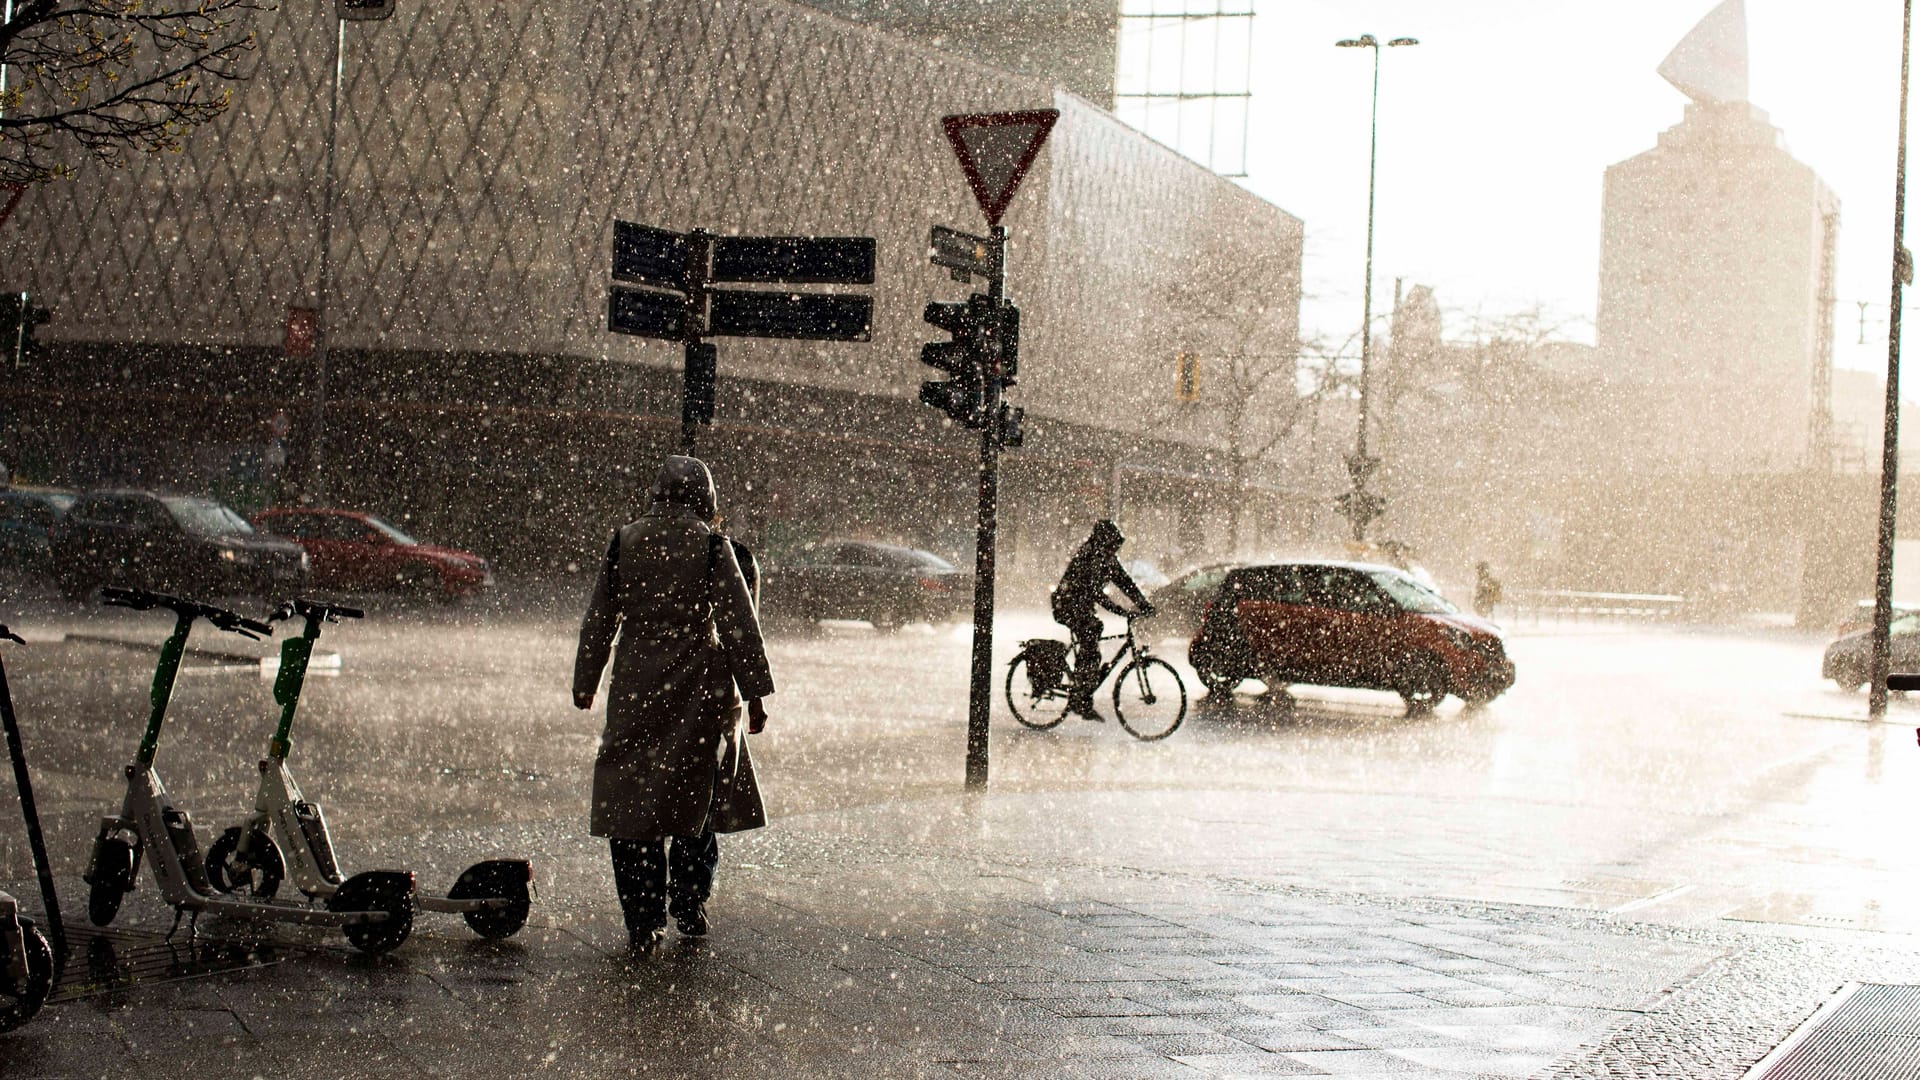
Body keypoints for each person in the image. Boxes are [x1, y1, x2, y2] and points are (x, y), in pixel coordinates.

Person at [573, 455, 775, 952]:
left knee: (632, 801)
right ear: (706, 497)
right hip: (698, 686)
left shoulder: (625, 541)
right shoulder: (712, 546)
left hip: (637, 682)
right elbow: (739, 625)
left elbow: (600, 615)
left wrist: (587, 678)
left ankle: (641, 919)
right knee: (695, 796)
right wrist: (755, 695)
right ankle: (688, 900)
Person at [1051, 519, 1154, 720]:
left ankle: (1082, 690)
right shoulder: (1089, 556)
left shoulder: (1106, 558)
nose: (1113, 551)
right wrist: (1121, 611)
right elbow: (1094, 592)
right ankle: (1080, 697)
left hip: (1081, 606)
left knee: (1092, 635)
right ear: (1103, 542)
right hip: (1068, 605)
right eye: (1111, 546)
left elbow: (1125, 582)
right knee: (1090, 639)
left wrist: (1143, 603)